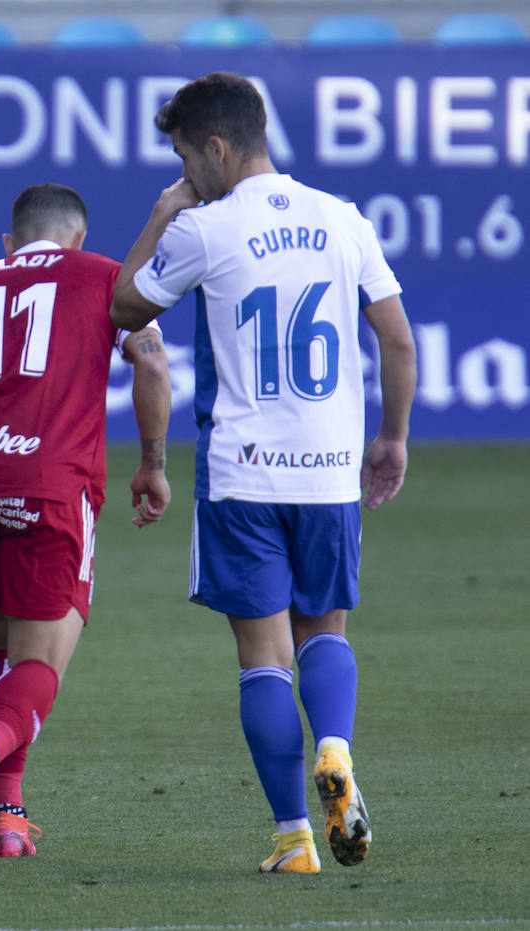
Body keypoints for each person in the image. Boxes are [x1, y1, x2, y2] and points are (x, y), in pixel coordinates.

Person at [110, 72, 417, 874]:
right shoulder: (343, 220)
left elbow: (123, 306)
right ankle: (338, 747)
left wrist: (160, 213)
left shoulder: (205, 228)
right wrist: (391, 437)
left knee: (263, 658)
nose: (184, 175)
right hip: (326, 472)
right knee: (328, 630)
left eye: (185, 157)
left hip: (242, 475)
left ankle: (292, 838)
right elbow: (398, 341)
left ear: (215, 147)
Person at [0, 183, 173, 860]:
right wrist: (153, 463)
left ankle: (8, 819)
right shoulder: (109, 278)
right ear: (77, 239)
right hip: (50, 482)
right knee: (42, 661)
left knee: (4, 653)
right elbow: (154, 362)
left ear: (9, 242)